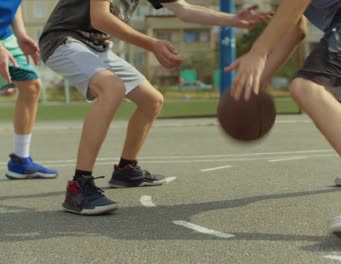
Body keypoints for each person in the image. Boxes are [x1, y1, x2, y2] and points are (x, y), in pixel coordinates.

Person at [39, 0, 272, 216]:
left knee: (152, 100)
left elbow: (183, 9)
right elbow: (100, 18)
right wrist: (152, 44)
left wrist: (232, 19)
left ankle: (126, 169)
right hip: (64, 40)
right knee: (112, 88)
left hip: (98, 48)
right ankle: (78, 185)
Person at [225, 0, 341, 239]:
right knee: (328, 107)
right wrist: (256, 83)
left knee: (307, 88)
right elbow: (295, 30)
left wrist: (259, 51)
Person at [0, 1, 59, 179]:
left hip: (5, 35)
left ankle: (20, 161)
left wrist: (21, 34)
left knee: (31, 86)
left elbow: (13, 3)